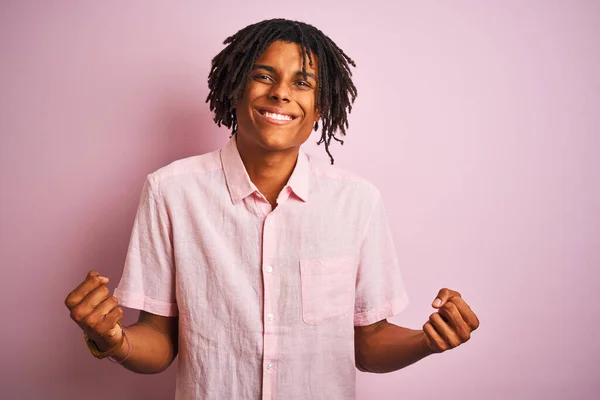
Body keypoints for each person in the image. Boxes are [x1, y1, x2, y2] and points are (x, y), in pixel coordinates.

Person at [64, 18, 479, 400]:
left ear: (321, 108)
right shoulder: (170, 192)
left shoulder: (357, 201)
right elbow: (158, 341)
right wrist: (112, 338)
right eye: (264, 76)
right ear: (234, 89)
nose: (281, 92)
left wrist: (428, 340)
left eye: (302, 83)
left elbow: (368, 345)